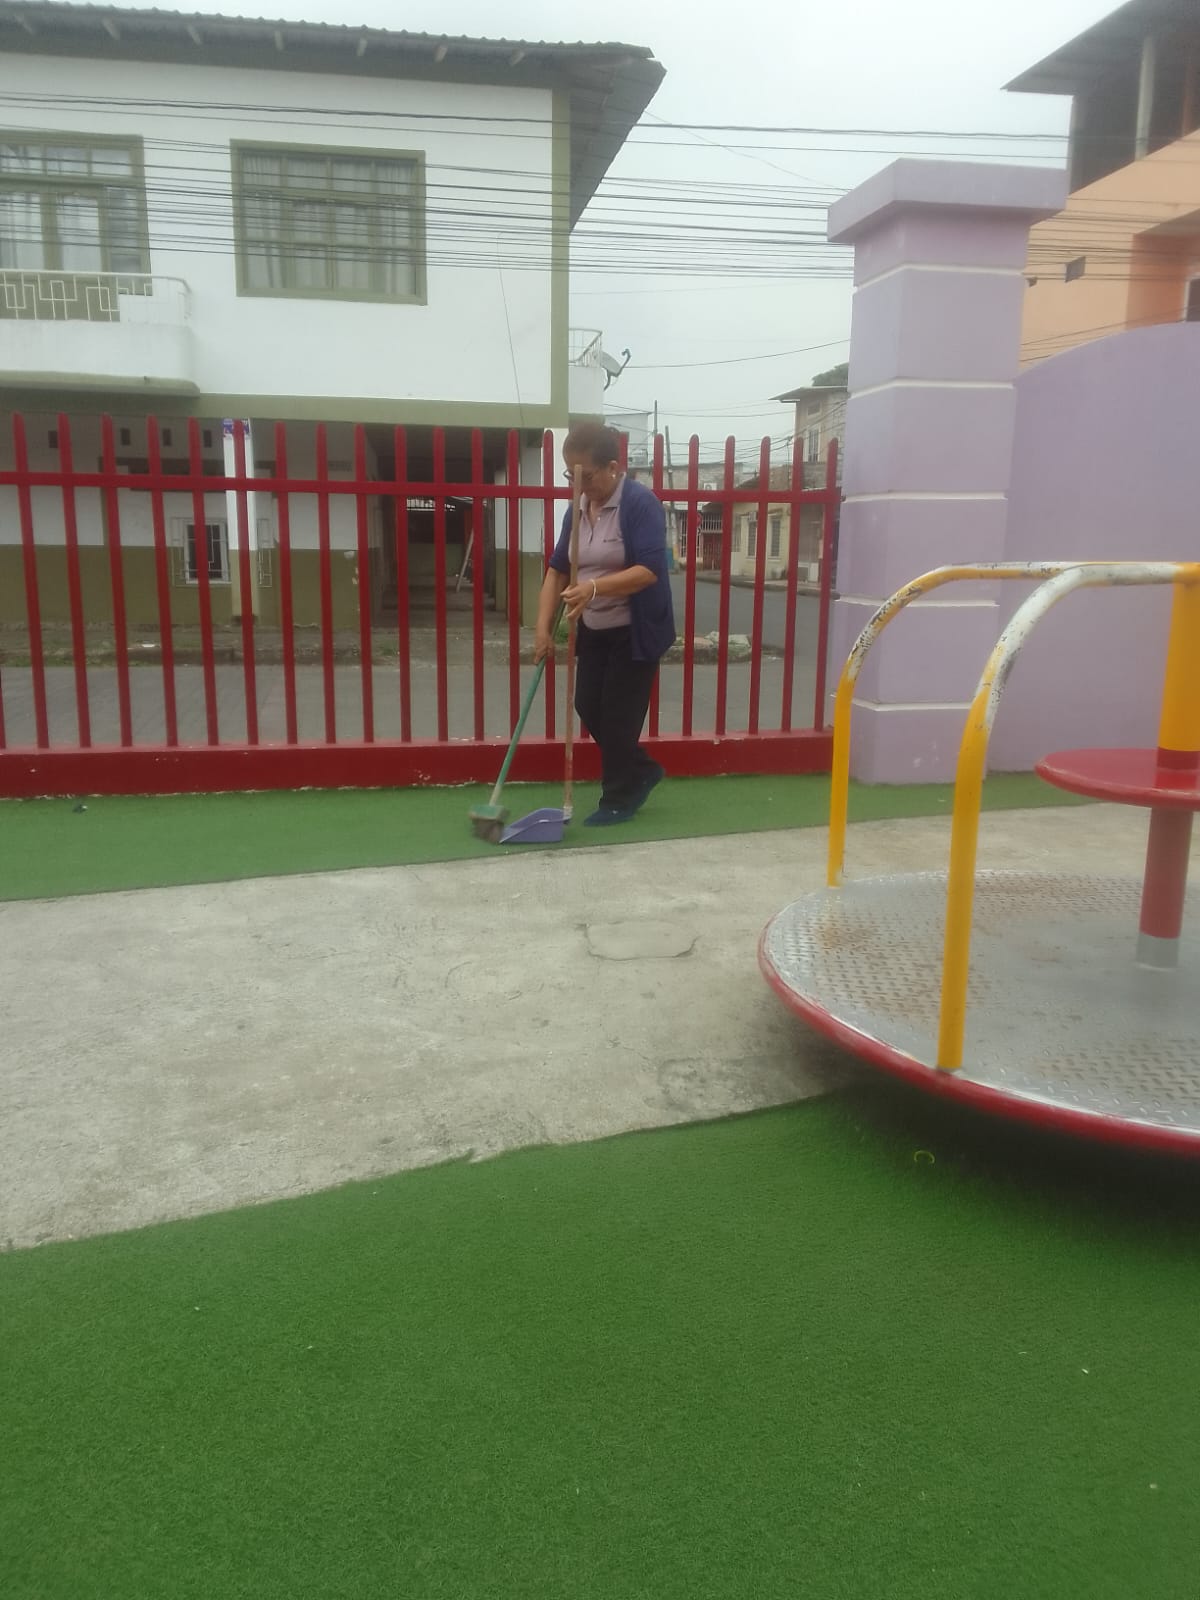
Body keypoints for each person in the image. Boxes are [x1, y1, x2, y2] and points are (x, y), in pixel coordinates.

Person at [534, 422, 675, 826]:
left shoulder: (640, 504)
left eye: (587, 476)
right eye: (571, 475)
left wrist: (594, 587)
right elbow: (557, 570)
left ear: (613, 467)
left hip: (635, 630)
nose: (580, 486)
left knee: (618, 717)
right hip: (594, 627)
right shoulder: (577, 510)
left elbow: (648, 570)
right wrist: (542, 628)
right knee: (587, 704)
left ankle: (618, 797)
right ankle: (642, 769)